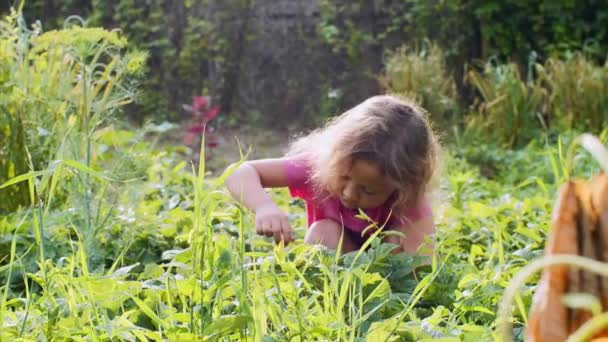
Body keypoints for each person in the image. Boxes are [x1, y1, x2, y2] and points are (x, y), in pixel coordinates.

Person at [225, 95, 439, 254]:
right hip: (333, 269)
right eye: (344, 177)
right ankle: (321, 294)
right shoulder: (318, 165)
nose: (349, 194)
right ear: (333, 157)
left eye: (368, 190)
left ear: (402, 186)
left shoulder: (409, 201)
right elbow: (239, 171)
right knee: (324, 231)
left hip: (383, 279)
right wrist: (264, 206)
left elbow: (421, 268)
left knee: (398, 241)